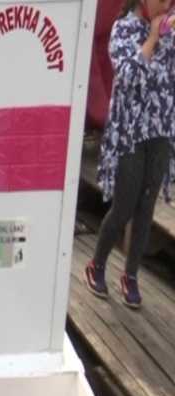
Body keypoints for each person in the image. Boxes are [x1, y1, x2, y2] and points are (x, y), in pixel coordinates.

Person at [84, 0, 175, 309]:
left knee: (146, 207)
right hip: (130, 133)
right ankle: (96, 264)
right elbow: (128, 75)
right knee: (124, 206)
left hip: (161, 130)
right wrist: (152, 38)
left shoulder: (170, 28)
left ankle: (131, 274)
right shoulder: (123, 28)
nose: (166, 5)